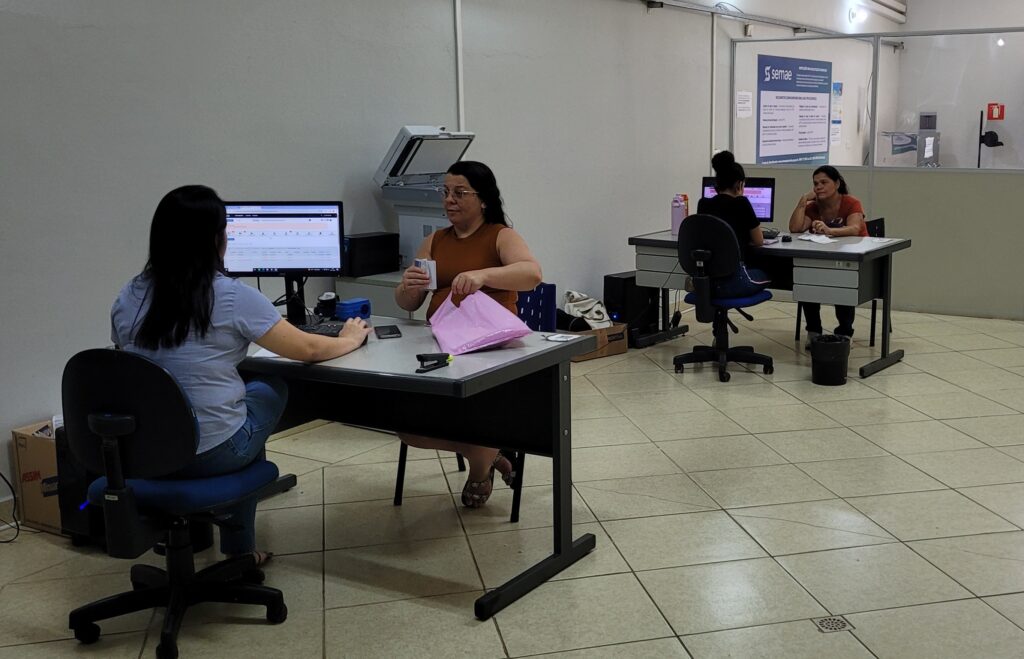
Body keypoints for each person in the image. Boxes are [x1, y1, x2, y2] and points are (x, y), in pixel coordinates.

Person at [111, 185, 371, 563]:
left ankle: (209, 539)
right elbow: (310, 349)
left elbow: (128, 359)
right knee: (269, 386)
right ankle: (240, 552)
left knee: (236, 401)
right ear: (217, 239)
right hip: (209, 453)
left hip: (144, 449)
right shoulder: (231, 296)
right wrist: (349, 337)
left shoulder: (128, 295)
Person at [394, 161, 542, 508]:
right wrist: (407, 287)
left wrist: (483, 276)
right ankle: (488, 453)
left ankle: (479, 468)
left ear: (483, 199)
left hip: (490, 347)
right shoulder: (434, 240)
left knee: (478, 418)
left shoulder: (500, 235)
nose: (449, 200)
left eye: (460, 193)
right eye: (445, 192)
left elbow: (531, 274)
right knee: (405, 427)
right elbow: (407, 303)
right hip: (441, 345)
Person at [788, 165, 867, 343]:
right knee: (807, 281)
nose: (818, 187)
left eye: (824, 182)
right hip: (824, 256)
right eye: (815, 184)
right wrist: (802, 202)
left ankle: (845, 332)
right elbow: (795, 228)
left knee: (842, 283)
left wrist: (829, 230)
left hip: (853, 258)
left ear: (837, 183)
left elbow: (855, 228)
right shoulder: (814, 206)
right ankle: (814, 331)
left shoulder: (851, 202)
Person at [696, 150, 770, 298]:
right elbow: (759, 240)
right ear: (739, 184)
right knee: (771, 272)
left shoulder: (703, 204)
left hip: (707, 283)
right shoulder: (741, 203)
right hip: (735, 281)